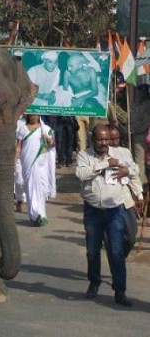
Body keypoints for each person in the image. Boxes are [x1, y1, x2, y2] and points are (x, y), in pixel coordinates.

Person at [75, 124, 136, 307]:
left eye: (106, 140)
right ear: (93, 140)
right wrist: (104, 165)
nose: (103, 143)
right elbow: (81, 173)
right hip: (93, 210)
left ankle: (120, 291)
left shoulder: (120, 154)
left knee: (116, 251)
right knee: (93, 250)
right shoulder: (84, 156)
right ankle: (94, 282)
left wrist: (127, 171)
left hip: (114, 210)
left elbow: (135, 170)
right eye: (100, 139)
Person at [108, 125, 144, 257]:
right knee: (112, 237)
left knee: (131, 235)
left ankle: (119, 257)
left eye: (116, 138)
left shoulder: (125, 152)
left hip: (125, 199)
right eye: (110, 139)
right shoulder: (98, 153)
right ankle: (116, 262)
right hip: (108, 202)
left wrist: (139, 195)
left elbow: (134, 174)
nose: (113, 142)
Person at [15, 114, 56, 226]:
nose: (34, 117)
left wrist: (46, 138)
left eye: (36, 115)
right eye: (32, 115)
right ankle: (34, 215)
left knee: (42, 188)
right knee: (30, 188)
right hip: (28, 162)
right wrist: (15, 160)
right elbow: (19, 147)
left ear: (39, 116)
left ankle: (41, 215)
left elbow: (52, 144)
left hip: (42, 163)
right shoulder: (22, 129)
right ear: (28, 115)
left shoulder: (46, 129)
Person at [131, 83, 150, 187]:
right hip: (135, 134)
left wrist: (136, 130)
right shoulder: (136, 103)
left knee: (141, 161)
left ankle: (143, 184)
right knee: (137, 160)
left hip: (143, 134)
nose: (138, 94)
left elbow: (147, 121)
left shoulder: (147, 104)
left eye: (140, 92)